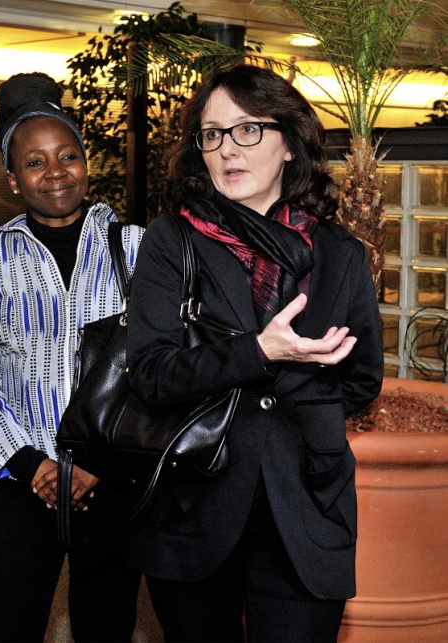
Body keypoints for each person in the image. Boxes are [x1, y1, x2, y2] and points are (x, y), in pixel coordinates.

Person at [123, 64, 384, 642]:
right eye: (212, 134)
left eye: (247, 130)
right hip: (195, 501)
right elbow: (151, 374)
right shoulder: (174, 240)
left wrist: (303, 404)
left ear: (289, 143)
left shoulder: (338, 251)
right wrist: (260, 353)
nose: (227, 150)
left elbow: (363, 379)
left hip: (305, 500)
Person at [0, 71, 144, 642]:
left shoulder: (134, 246)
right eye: (34, 162)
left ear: (87, 162)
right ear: (13, 179)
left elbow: (153, 366)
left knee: (105, 625)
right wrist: (33, 463)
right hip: (20, 480)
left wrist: (98, 461)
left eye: (67, 155)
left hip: (111, 479)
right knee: (7, 627)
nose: (55, 171)